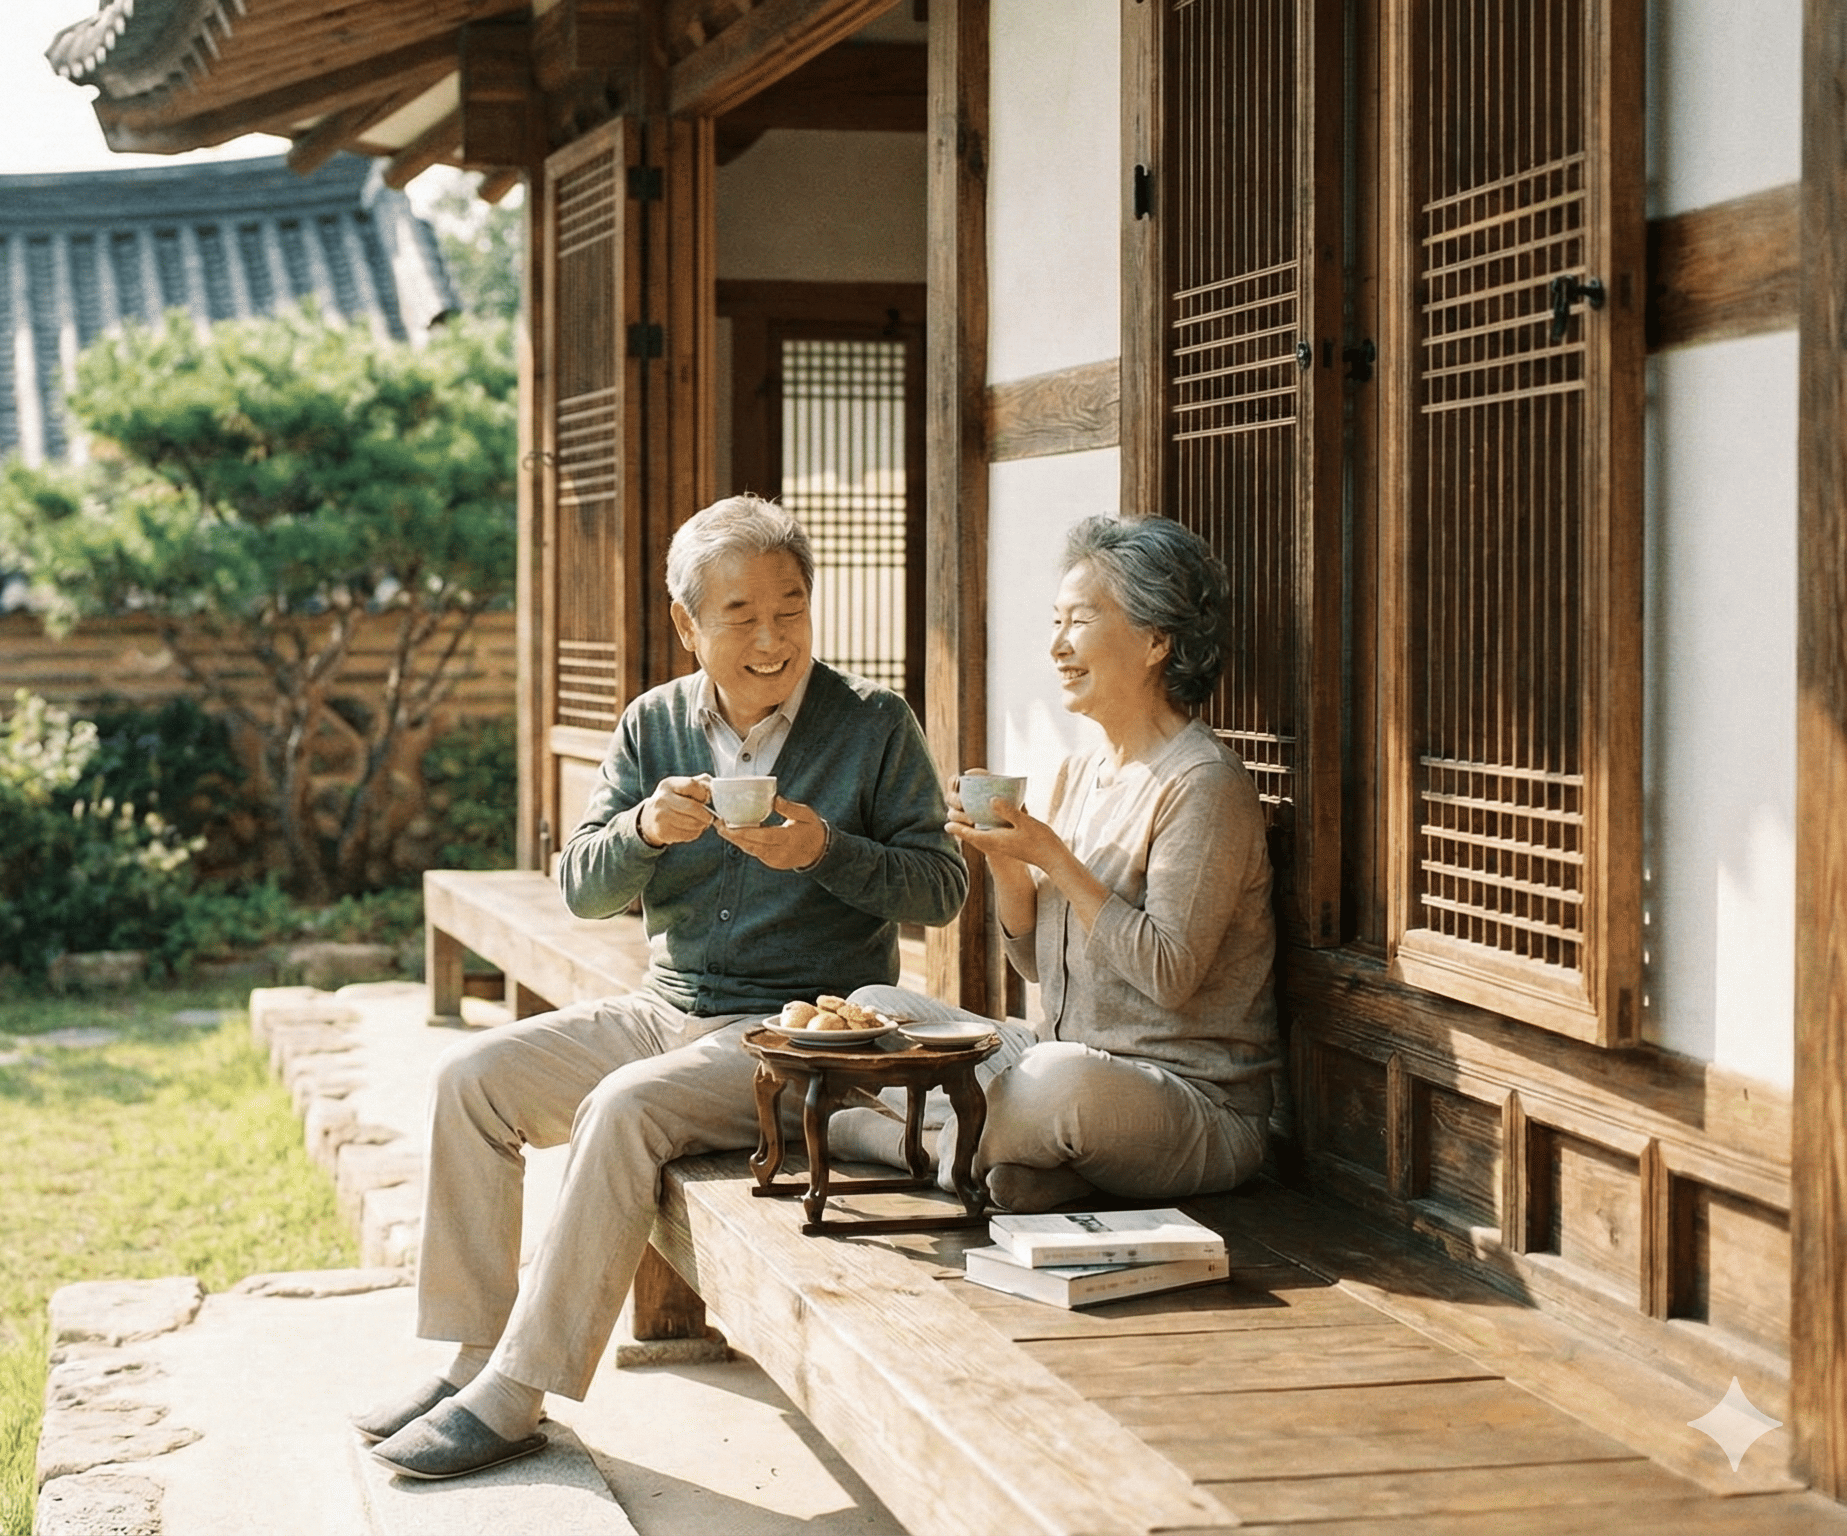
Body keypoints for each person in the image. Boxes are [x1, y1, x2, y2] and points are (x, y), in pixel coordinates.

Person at [358, 494, 967, 1481]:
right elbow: (578, 885)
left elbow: (938, 888)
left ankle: (519, 1394)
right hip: (664, 1006)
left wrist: (825, 848)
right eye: (740, 615)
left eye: (789, 608)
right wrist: (643, 830)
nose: (770, 637)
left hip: (797, 1034)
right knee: (469, 1079)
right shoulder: (651, 724)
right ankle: (472, 1358)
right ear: (687, 626)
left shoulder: (872, 726)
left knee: (625, 1106)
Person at [830, 513, 1278, 1213]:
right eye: (1055, 622)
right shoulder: (1079, 772)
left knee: (1049, 1083)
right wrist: (1011, 869)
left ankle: (908, 1145)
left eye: (1080, 622)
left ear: (1157, 640)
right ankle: (1018, 1162)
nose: (1057, 646)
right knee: (874, 1012)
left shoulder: (1204, 783)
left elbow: (1170, 973)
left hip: (1189, 1100)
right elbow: (1040, 967)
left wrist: (1053, 856)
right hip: (1057, 1053)